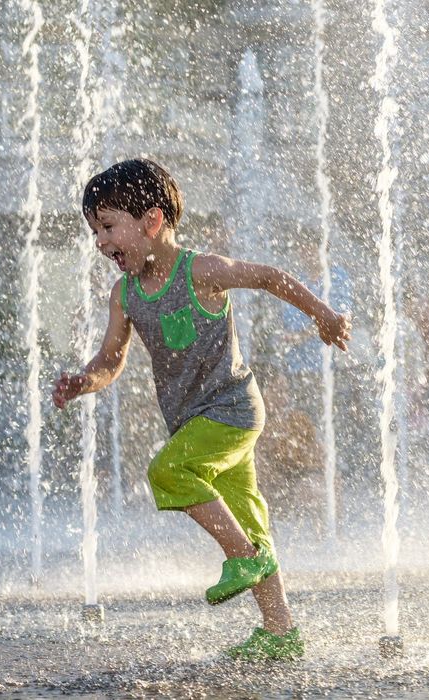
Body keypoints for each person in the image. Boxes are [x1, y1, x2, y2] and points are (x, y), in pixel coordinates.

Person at [52, 159, 351, 661]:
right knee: (250, 519)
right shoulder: (124, 296)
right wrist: (84, 381)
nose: (101, 242)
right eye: (94, 231)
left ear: (150, 222)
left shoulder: (201, 271)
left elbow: (269, 277)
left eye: (108, 226)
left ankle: (240, 557)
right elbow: (110, 360)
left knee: (167, 470)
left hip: (233, 408)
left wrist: (323, 315)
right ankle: (281, 634)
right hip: (196, 422)